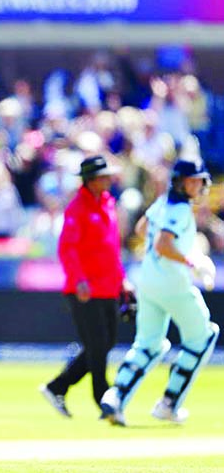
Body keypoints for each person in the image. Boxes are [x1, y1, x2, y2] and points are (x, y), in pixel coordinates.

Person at [100, 159, 219, 426]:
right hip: (172, 283)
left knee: (149, 344)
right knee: (203, 336)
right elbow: (164, 244)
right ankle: (169, 402)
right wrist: (192, 261)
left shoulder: (162, 204)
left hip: (148, 281)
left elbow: (142, 229)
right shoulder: (179, 210)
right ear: (185, 182)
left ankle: (116, 396)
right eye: (197, 180)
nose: (200, 185)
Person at [40, 155, 131, 417]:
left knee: (106, 342)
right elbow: (67, 248)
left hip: (109, 286)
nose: (108, 180)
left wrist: (123, 278)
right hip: (84, 289)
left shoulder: (108, 203)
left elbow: (112, 248)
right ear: (91, 180)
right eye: (103, 176)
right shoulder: (77, 208)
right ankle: (103, 398)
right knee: (98, 344)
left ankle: (58, 386)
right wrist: (79, 279)